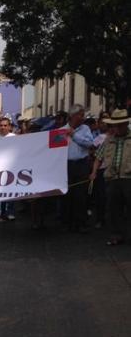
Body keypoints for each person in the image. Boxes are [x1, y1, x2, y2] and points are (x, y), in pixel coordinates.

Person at [89, 109, 131, 245]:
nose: (117, 128)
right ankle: (117, 235)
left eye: (120, 125)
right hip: (112, 179)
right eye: (114, 125)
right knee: (114, 209)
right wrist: (94, 172)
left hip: (128, 177)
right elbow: (98, 158)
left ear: (126, 123)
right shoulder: (108, 140)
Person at [61, 104, 94, 233]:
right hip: (67, 165)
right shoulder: (62, 130)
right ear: (72, 116)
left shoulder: (85, 129)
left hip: (81, 164)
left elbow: (90, 143)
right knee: (67, 195)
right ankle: (68, 222)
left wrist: (74, 135)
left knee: (80, 194)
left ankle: (81, 222)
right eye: (80, 114)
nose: (83, 117)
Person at [0, 117, 17, 221]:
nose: (3, 127)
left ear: (9, 127)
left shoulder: (14, 137)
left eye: (5, 125)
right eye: (1, 125)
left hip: (11, 167)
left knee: (11, 190)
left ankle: (10, 212)